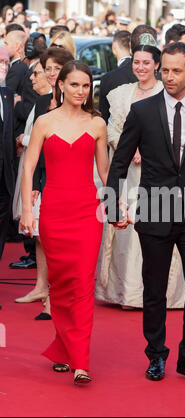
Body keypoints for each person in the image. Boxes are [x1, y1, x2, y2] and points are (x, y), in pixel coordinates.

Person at [106, 42, 185, 385]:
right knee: (154, 288)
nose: (168, 76)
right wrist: (113, 205)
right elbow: (121, 162)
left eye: (176, 70)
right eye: (165, 70)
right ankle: (156, 354)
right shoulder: (143, 111)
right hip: (155, 210)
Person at [20, 60, 109, 385]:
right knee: (59, 286)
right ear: (61, 85)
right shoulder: (44, 121)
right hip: (54, 211)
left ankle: (80, 361)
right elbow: (29, 167)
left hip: (87, 211)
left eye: (86, 86)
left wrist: (118, 204)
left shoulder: (97, 123)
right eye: (74, 85)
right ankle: (63, 347)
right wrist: (28, 210)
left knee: (83, 283)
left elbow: (104, 172)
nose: (80, 91)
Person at [96, 37, 185, 309]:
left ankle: (160, 294)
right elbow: (110, 128)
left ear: (157, 65)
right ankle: (127, 293)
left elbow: (178, 131)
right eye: (137, 62)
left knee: (158, 230)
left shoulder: (167, 93)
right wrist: (126, 146)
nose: (141, 67)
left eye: (147, 63)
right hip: (127, 174)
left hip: (160, 174)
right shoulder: (121, 94)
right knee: (127, 232)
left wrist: (146, 149)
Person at [15, 48, 74, 322]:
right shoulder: (40, 103)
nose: (51, 74)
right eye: (47, 69)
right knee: (40, 236)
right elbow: (36, 152)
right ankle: (41, 287)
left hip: (68, 179)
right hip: (44, 177)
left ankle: (54, 297)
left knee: (57, 241)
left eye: (55, 69)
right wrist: (37, 182)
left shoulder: (76, 101)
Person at [0, 46, 16, 260]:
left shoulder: (7, 94)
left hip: (5, 177)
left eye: (7, 62)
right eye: (0, 61)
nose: (4, 66)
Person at [4, 29, 28, 96]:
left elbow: (6, 96)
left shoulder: (17, 68)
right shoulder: (22, 65)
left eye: (6, 43)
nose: (4, 47)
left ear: (17, 46)